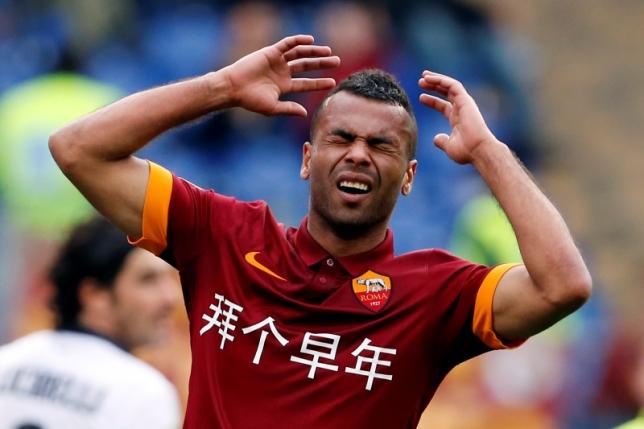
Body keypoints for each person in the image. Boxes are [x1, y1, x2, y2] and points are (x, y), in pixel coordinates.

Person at [48, 34, 592, 428]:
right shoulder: (226, 236)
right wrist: (220, 87)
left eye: (381, 146)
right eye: (342, 138)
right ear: (308, 158)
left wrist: (488, 152)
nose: (358, 155)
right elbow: (77, 150)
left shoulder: (436, 294)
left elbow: (562, 285)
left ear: (408, 178)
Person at [0, 217, 181, 429]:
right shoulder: (145, 393)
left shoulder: (6, 361)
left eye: (169, 279)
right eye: (147, 280)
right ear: (95, 295)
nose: (170, 298)